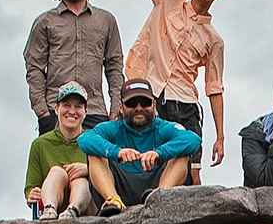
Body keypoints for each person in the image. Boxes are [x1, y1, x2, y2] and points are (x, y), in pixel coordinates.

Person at [123, 0, 229, 178]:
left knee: (191, 171)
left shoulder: (214, 39)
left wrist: (220, 136)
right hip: (150, 92)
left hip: (185, 102)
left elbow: (214, 87)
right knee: (147, 164)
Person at [24, 0, 122, 129]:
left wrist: (116, 109)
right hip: (57, 111)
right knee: (56, 158)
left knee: (98, 157)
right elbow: (34, 68)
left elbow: (114, 67)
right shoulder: (45, 22)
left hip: (95, 111)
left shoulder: (106, 20)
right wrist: (43, 112)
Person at [82, 77, 201, 208]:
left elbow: (193, 139)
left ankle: (159, 199)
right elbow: (85, 139)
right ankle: (113, 201)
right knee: (94, 153)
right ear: (121, 108)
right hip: (122, 189)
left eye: (145, 102)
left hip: (158, 187)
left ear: (154, 105)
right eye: (132, 103)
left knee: (182, 153)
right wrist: (117, 152)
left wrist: (159, 153)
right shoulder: (113, 128)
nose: (139, 108)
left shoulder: (163, 127)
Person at [24, 84, 101, 216]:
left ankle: (72, 211)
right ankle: (50, 210)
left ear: (85, 112)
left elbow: (112, 177)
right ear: (56, 108)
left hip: (88, 212)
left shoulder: (96, 141)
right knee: (56, 172)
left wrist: (88, 169)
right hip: (54, 206)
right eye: (66, 105)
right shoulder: (40, 144)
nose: (72, 111)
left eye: (78, 106)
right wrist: (32, 194)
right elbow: (30, 187)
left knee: (80, 180)